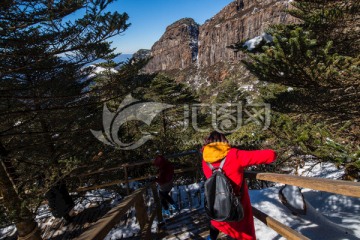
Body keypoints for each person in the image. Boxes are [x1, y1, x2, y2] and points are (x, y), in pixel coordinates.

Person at [202, 131, 276, 240]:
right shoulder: (234, 155)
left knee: (218, 224)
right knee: (245, 235)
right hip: (236, 207)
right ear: (224, 141)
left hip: (217, 205)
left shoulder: (205, 160)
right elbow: (271, 155)